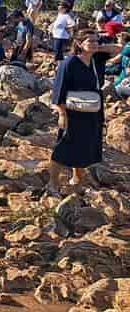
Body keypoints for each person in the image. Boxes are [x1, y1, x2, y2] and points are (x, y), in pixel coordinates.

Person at [49, 28, 105, 196]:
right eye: (90, 41)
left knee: (85, 147)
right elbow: (58, 90)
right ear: (79, 43)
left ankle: (77, 180)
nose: (95, 44)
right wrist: (62, 114)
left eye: (97, 41)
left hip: (91, 112)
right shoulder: (70, 63)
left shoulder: (95, 61)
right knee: (62, 148)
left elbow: (117, 48)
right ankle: (52, 184)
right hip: (72, 113)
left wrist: (98, 47)